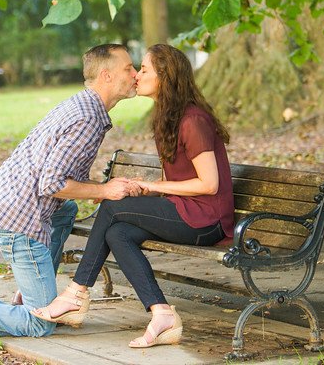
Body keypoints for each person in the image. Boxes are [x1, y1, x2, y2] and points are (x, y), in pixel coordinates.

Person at [0, 43, 141, 346]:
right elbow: (52, 183)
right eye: (129, 68)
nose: (136, 74)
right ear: (106, 75)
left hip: (11, 204)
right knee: (40, 323)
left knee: (66, 210)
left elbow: (57, 173)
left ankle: (34, 283)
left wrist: (94, 191)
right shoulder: (87, 118)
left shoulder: (85, 106)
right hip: (21, 222)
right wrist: (103, 189)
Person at [32, 44, 234, 349]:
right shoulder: (168, 116)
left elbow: (208, 184)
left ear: (166, 77)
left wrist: (152, 188)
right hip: (185, 210)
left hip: (206, 220)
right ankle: (161, 313)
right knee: (119, 233)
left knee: (113, 206)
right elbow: (176, 177)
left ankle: (75, 294)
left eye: (144, 69)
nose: (137, 75)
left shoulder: (193, 120)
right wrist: (145, 186)